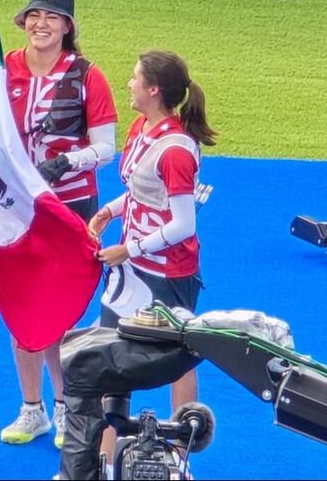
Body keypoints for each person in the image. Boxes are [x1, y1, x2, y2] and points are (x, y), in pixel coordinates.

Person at [0, 0, 118, 449]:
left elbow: (106, 148)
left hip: (69, 206)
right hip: (17, 206)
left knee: (63, 310)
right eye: (34, 15)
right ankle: (32, 409)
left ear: (67, 26)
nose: (40, 24)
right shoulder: (2, 68)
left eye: (51, 17)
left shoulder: (88, 75)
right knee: (21, 304)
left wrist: (66, 162)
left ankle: (67, 405)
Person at [87, 49, 217, 469]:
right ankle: (103, 462)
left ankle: (181, 456)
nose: (129, 84)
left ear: (154, 89)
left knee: (177, 361)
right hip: (133, 269)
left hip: (167, 273)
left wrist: (130, 248)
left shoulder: (176, 151)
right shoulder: (142, 128)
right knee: (108, 359)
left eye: (135, 78)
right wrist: (110, 211)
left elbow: (184, 224)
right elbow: (142, 191)